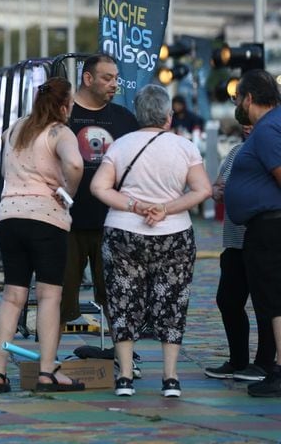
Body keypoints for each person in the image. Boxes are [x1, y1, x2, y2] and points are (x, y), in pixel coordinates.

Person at [90, 84, 211, 398]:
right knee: (173, 302)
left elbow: (99, 188)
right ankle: (170, 378)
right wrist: (165, 208)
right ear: (168, 117)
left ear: (137, 115)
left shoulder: (120, 146)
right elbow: (202, 190)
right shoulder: (185, 148)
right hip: (174, 235)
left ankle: (126, 376)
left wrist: (134, 205)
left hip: (123, 232)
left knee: (123, 300)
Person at [0, 78, 84, 394]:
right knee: (48, 296)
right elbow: (75, 163)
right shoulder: (59, 131)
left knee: (13, 297)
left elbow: (5, 152)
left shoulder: (17, 127)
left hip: (9, 216)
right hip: (45, 218)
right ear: (64, 104)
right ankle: (46, 372)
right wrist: (68, 192)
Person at [60, 54, 138, 332]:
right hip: (66, 222)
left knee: (117, 298)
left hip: (113, 222)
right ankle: (49, 362)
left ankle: (126, 359)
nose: (114, 84)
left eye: (116, 78)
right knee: (59, 301)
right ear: (88, 78)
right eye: (107, 78)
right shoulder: (63, 114)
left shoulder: (125, 118)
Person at [205, 104, 276, 382]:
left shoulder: (270, 149)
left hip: (263, 238)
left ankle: (264, 363)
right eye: (242, 123)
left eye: (250, 121)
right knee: (228, 299)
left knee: (266, 303)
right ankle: (238, 359)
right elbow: (218, 186)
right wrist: (218, 190)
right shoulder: (236, 152)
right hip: (234, 241)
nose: (247, 126)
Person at [224, 69, 281, 397]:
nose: (237, 105)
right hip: (265, 226)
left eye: (237, 98)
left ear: (248, 98)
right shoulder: (268, 128)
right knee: (271, 301)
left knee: (274, 302)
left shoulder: (269, 128)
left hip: (271, 227)